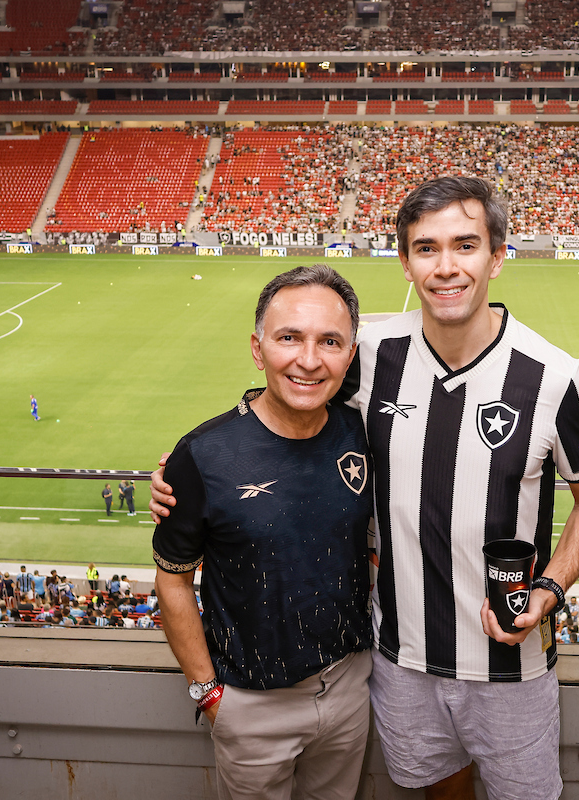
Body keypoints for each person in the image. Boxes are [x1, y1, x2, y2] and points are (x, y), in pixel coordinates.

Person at [151, 177, 579, 800]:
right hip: (400, 663)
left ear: (497, 256)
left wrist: (552, 587)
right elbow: (290, 392)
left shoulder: (555, 378)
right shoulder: (370, 351)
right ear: (404, 261)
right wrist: (190, 466)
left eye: (465, 245)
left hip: (513, 666)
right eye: (426, 248)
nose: (445, 267)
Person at [152, 265, 374, 800]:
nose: (308, 360)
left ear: (350, 354)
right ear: (257, 348)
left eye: (330, 342)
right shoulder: (203, 455)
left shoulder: (362, 431)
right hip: (250, 704)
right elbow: (173, 581)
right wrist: (207, 691)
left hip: (348, 688)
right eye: (288, 338)